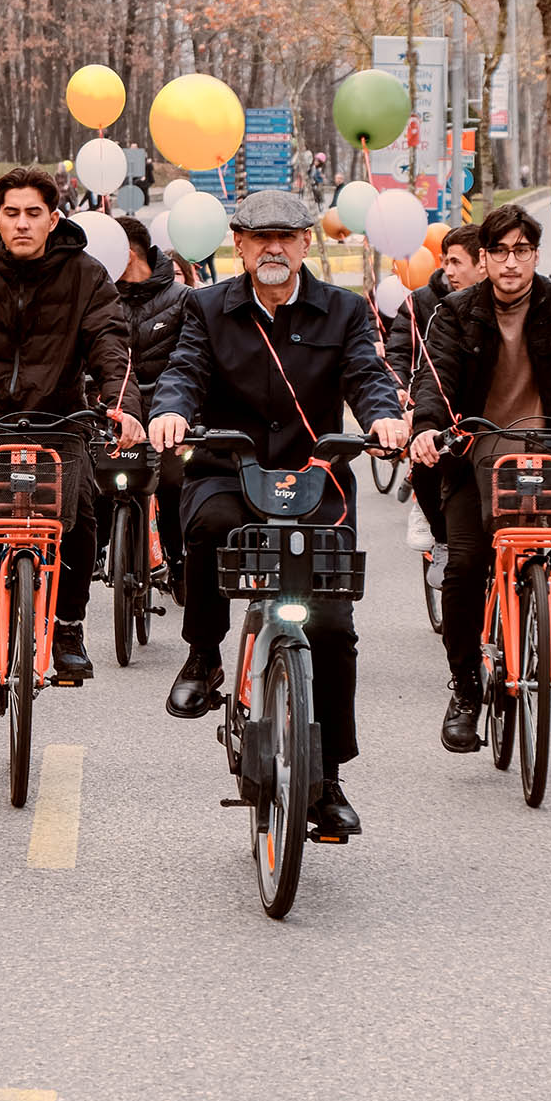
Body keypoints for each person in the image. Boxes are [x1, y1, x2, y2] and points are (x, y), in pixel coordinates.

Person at [147, 190, 406, 836]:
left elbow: (368, 375)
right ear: (237, 242)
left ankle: (329, 781)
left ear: (305, 243)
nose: (273, 248)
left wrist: (382, 416)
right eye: (260, 237)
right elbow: (184, 371)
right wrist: (171, 410)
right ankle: (204, 654)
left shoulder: (342, 311)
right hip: (229, 474)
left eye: (287, 237)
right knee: (204, 524)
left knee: (334, 626)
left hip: (315, 482)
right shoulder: (204, 307)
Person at [0, 166, 145, 700]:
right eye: (11, 213)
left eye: (33, 213)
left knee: (80, 522)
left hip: (59, 424)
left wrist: (121, 405)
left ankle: (66, 628)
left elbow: (111, 344)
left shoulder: (86, 275)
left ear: (52, 218)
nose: (21, 223)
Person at [408, 203, 551, 755]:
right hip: (476, 448)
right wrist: (429, 427)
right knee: (463, 566)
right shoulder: (456, 313)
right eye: (500, 252)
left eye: (523, 251)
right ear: (483, 260)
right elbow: (434, 377)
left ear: (535, 256)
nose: (512, 263)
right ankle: (464, 690)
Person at [384, 224, 484, 585]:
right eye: (445, 262)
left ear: (482, 262)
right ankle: (436, 530)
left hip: (483, 414)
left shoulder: (503, 304)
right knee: (426, 462)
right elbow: (398, 351)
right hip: (429, 399)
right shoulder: (422, 302)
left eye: (457, 262)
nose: (448, 271)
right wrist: (400, 390)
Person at [96, 215, 189, 594]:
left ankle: (179, 560)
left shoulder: (182, 300)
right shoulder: (99, 299)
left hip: (165, 413)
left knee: (171, 483)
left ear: (129, 254)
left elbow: (192, 363)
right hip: (112, 410)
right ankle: (103, 548)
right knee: (97, 479)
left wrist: (184, 416)